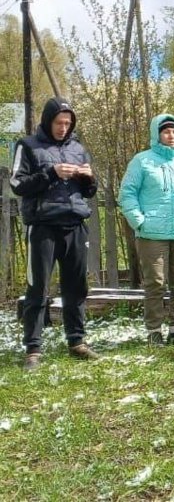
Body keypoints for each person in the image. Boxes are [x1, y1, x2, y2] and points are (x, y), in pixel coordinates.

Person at [10, 97, 100, 370]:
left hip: (74, 224)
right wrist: (51, 172)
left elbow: (89, 192)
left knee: (76, 287)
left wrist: (89, 179)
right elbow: (17, 184)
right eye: (59, 122)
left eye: (68, 123)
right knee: (38, 288)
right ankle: (33, 349)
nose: (63, 128)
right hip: (43, 226)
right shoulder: (28, 146)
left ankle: (77, 341)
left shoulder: (78, 149)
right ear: (47, 121)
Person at [119, 114, 174, 349]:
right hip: (152, 233)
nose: (171, 135)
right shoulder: (142, 161)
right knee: (155, 283)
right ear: (156, 134)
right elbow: (127, 193)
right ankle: (154, 331)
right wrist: (139, 221)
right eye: (166, 131)